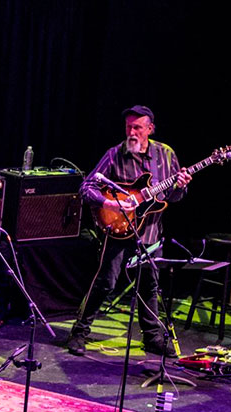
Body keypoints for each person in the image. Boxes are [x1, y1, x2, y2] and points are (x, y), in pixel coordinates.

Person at [65, 105, 192, 357]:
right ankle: (79, 332)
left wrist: (180, 186)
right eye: (128, 127)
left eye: (137, 127)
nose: (131, 132)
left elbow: (173, 197)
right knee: (105, 283)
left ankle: (153, 338)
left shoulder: (166, 155)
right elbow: (86, 187)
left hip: (150, 233)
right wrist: (111, 203)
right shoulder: (114, 155)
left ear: (150, 129)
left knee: (149, 287)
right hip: (118, 229)